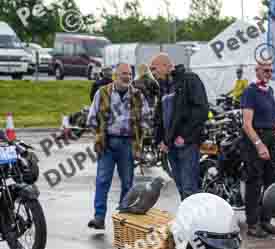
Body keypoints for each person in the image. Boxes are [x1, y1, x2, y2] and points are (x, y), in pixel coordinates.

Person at [86, 63, 150, 230]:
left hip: (127, 144)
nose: (127, 76)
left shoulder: (137, 95)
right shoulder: (103, 92)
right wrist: (99, 134)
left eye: (129, 74)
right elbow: (91, 118)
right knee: (102, 181)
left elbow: (146, 118)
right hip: (107, 143)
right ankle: (99, 218)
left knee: (127, 183)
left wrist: (142, 134)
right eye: (123, 73)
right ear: (115, 75)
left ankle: (123, 219)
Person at [150, 52, 209, 200]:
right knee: (181, 188)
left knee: (189, 189)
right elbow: (160, 117)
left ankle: (195, 223)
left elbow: (201, 110)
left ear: (166, 66)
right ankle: (187, 221)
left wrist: (185, 136)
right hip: (170, 146)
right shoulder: (163, 86)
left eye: (154, 68)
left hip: (186, 144)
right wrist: (160, 141)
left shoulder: (189, 79)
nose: (153, 73)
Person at [240, 60, 275, 238]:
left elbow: (267, 117)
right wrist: (259, 145)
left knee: (271, 180)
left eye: (271, 70)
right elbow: (247, 124)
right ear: (257, 71)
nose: (269, 73)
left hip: (269, 137)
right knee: (254, 182)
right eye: (265, 70)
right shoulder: (250, 92)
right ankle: (253, 224)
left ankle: (266, 220)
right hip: (254, 140)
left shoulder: (269, 90)